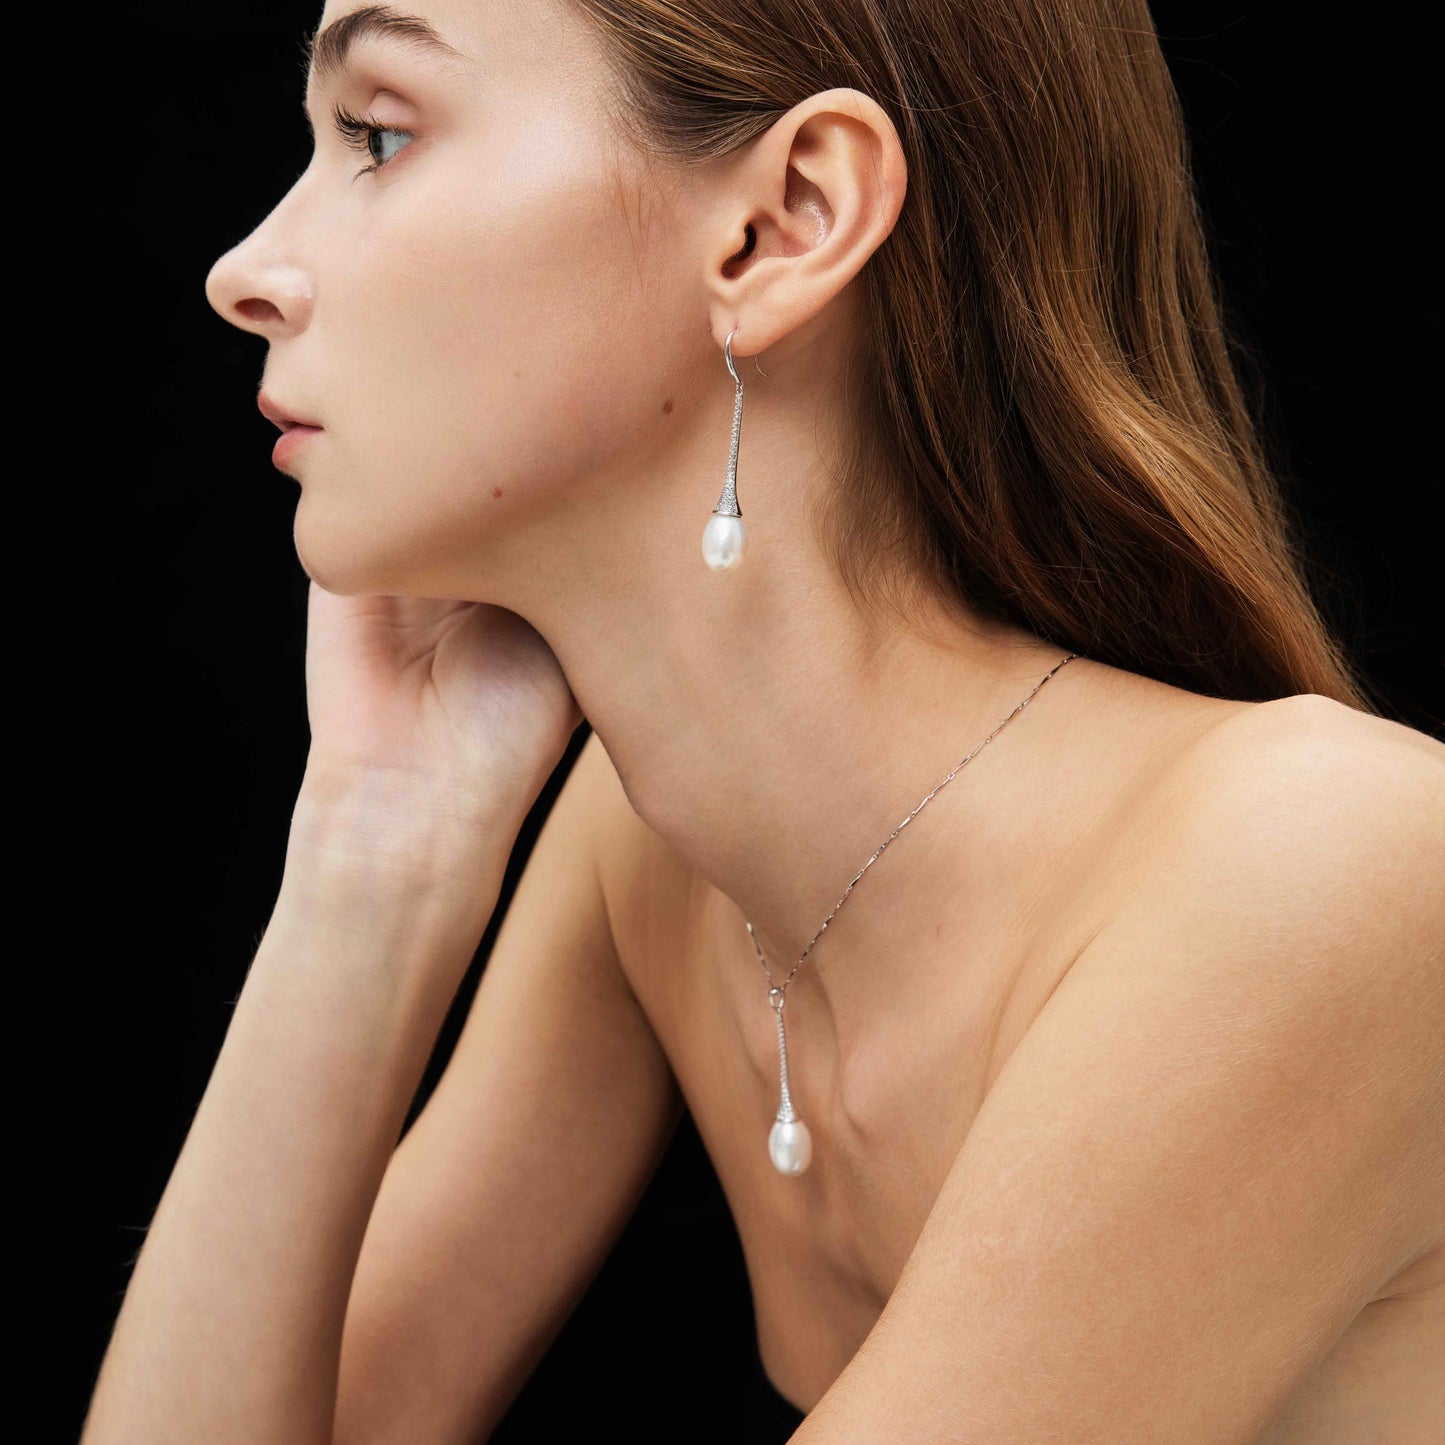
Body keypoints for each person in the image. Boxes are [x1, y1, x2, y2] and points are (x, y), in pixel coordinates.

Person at [82, 1, 1444, 1441]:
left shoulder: (1316, 869)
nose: (247, 269)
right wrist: (372, 849)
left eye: (377, 133)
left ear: (783, 223)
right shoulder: (652, 853)